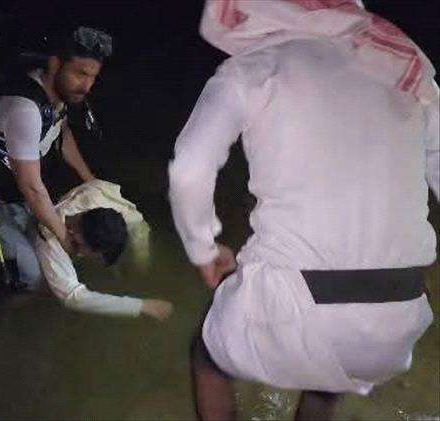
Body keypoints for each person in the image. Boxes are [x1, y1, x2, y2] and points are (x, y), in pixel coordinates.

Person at [168, 1, 438, 419]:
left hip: (295, 307)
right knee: (330, 375)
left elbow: (189, 168)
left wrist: (203, 250)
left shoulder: (256, 67)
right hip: (400, 315)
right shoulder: (408, 72)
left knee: (208, 356)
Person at [0, 25, 113, 291]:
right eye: (80, 74)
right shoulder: (25, 110)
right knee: (34, 276)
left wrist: (91, 181)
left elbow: (61, 134)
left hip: (19, 195)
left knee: (67, 250)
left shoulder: (58, 95)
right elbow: (31, 187)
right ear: (55, 64)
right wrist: (63, 237)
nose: (87, 86)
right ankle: (3, 309)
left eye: (93, 77)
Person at [35, 179, 174, 320]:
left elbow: (138, 226)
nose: (81, 254)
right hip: (36, 211)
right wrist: (141, 306)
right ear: (75, 236)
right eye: (80, 248)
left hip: (72, 205)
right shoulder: (50, 239)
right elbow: (73, 297)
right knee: (35, 277)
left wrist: (141, 262)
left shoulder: (100, 196)